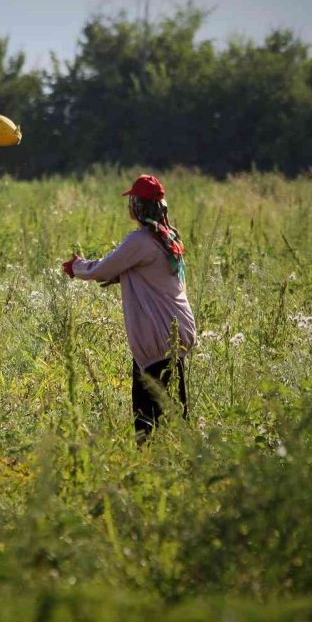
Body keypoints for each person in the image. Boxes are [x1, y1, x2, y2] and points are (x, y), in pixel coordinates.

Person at [62, 174, 195, 443]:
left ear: (138, 206)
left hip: (158, 335)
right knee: (174, 411)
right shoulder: (168, 237)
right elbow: (142, 272)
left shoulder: (141, 241)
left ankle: (152, 464)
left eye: (132, 200)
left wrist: (76, 267)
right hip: (176, 330)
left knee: (148, 418)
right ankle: (181, 460)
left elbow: (103, 268)